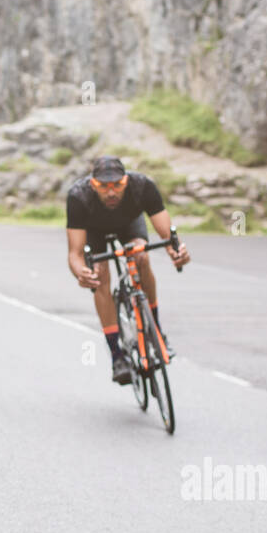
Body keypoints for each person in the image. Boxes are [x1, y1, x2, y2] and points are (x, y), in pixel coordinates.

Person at [66, 155, 191, 384]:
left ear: (126, 181)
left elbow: (168, 236)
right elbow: (74, 254)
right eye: (103, 187)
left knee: (140, 256)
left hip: (129, 225)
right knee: (99, 274)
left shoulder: (142, 186)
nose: (111, 192)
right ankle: (117, 355)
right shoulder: (78, 196)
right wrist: (81, 273)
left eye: (117, 186)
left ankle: (156, 331)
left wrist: (177, 251)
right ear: (93, 184)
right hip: (94, 231)